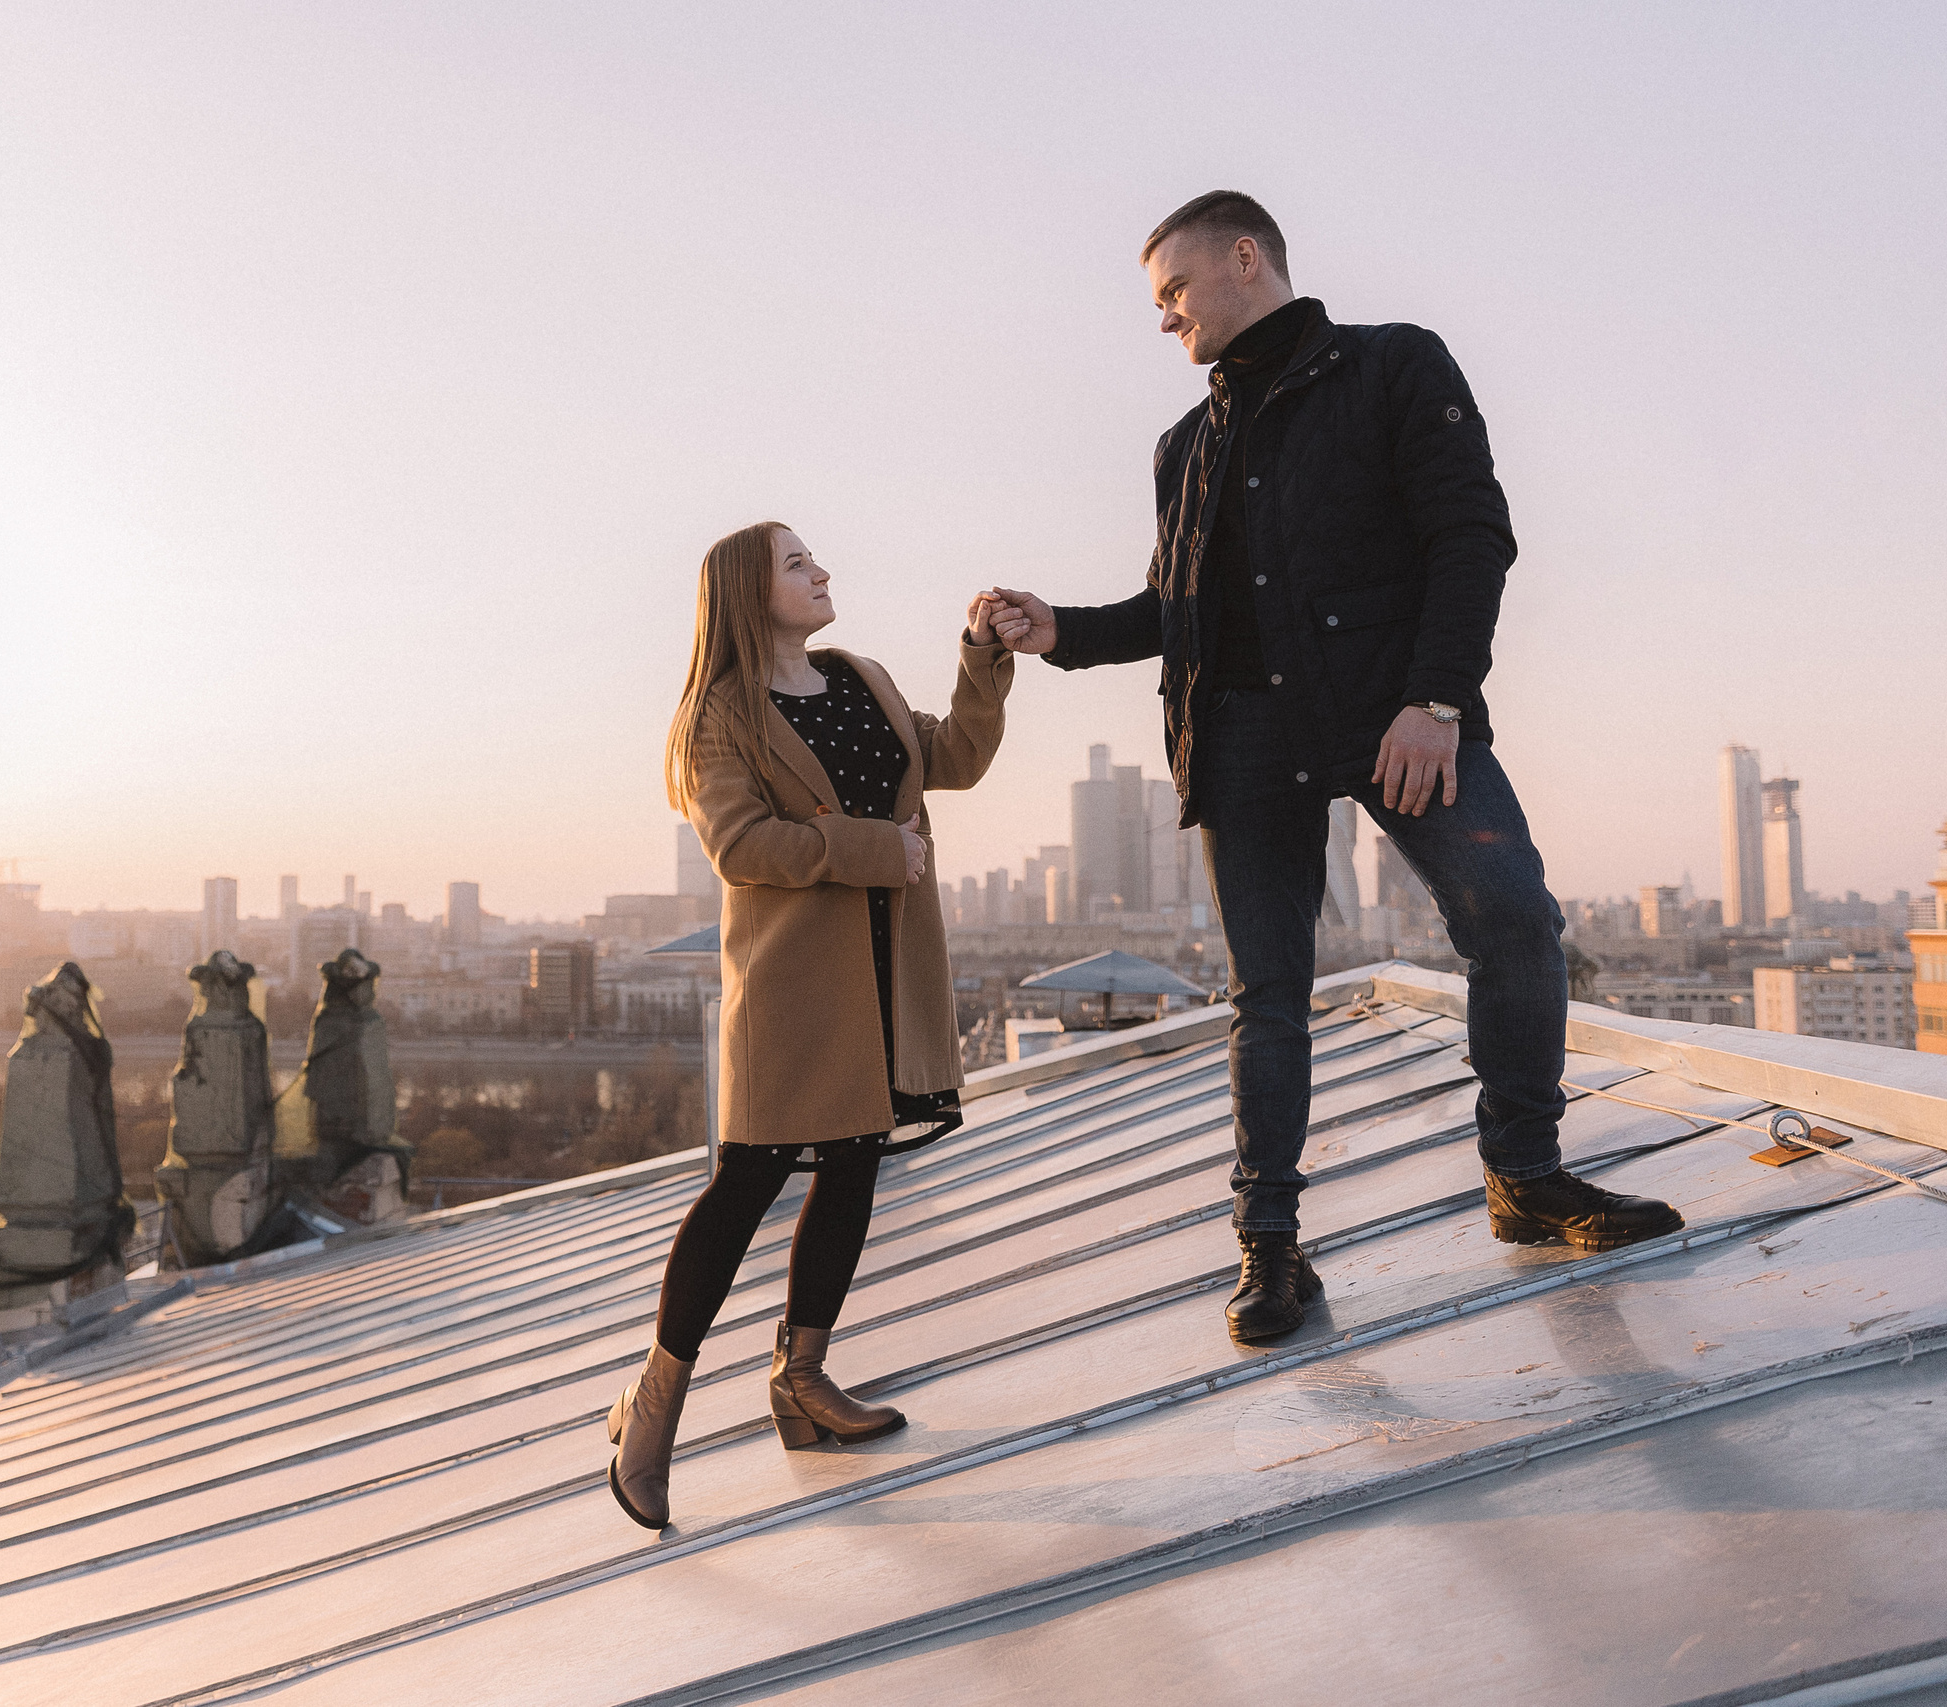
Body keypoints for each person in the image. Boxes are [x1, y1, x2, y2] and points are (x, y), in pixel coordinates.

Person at [984, 191, 1679, 1346]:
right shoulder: (1185, 447)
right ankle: (1270, 1248)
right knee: (1268, 995)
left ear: (1244, 258)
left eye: (1173, 292)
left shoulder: (1395, 366)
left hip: (1391, 718)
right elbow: (1178, 608)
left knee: (1512, 920)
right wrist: (1061, 626)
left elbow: (1471, 536)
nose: (1163, 320)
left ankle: (1526, 1178)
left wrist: (1436, 699)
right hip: (1244, 741)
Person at [607, 520, 1012, 1530]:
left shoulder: (859, 679)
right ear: (750, 592)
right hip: (792, 984)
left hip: (885, 971)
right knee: (747, 1178)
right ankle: (653, 1405)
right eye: (797, 563)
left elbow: (955, 757)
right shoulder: (718, 717)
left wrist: (983, 659)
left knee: (856, 1163)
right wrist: (877, 849)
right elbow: (742, 847)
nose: (822, 570)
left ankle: (804, 1377)